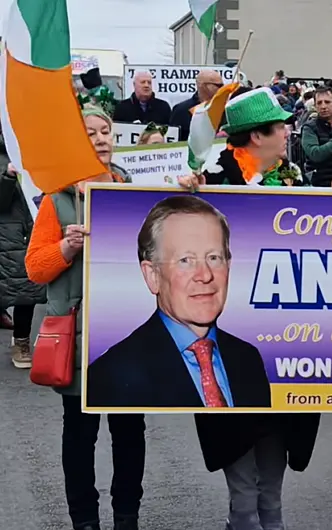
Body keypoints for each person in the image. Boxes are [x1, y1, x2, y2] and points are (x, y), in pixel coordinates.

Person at [177, 86, 321, 530]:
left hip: (282, 345)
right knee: (243, 489)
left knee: (272, 484)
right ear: (256, 136)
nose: (287, 132)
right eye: (280, 126)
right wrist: (184, 195)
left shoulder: (294, 176)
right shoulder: (214, 179)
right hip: (228, 348)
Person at [25, 105, 145, 530]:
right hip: (78, 340)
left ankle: (127, 516)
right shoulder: (58, 200)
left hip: (127, 333)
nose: (100, 138)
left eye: (106, 130)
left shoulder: (135, 193)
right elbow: (35, 268)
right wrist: (66, 249)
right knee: (79, 436)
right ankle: (85, 519)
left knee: (130, 434)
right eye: (90, 132)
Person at [86, 194, 272, 409]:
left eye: (214, 258)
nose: (205, 275)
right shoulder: (114, 372)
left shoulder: (248, 359)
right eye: (186, 261)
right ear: (152, 275)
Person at [0, 132, 45, 369]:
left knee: (28, 287)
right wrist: (8, 176)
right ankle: (20, 339)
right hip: (11, 232)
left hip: (38, 224)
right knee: (18, 284)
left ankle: (25, 340)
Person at [171, 69, 225, 140]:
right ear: (202, 85)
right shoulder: (181, 110)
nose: (221, 88)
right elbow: (173, 140)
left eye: (222, 85)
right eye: (218, 85)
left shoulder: (225, 108)